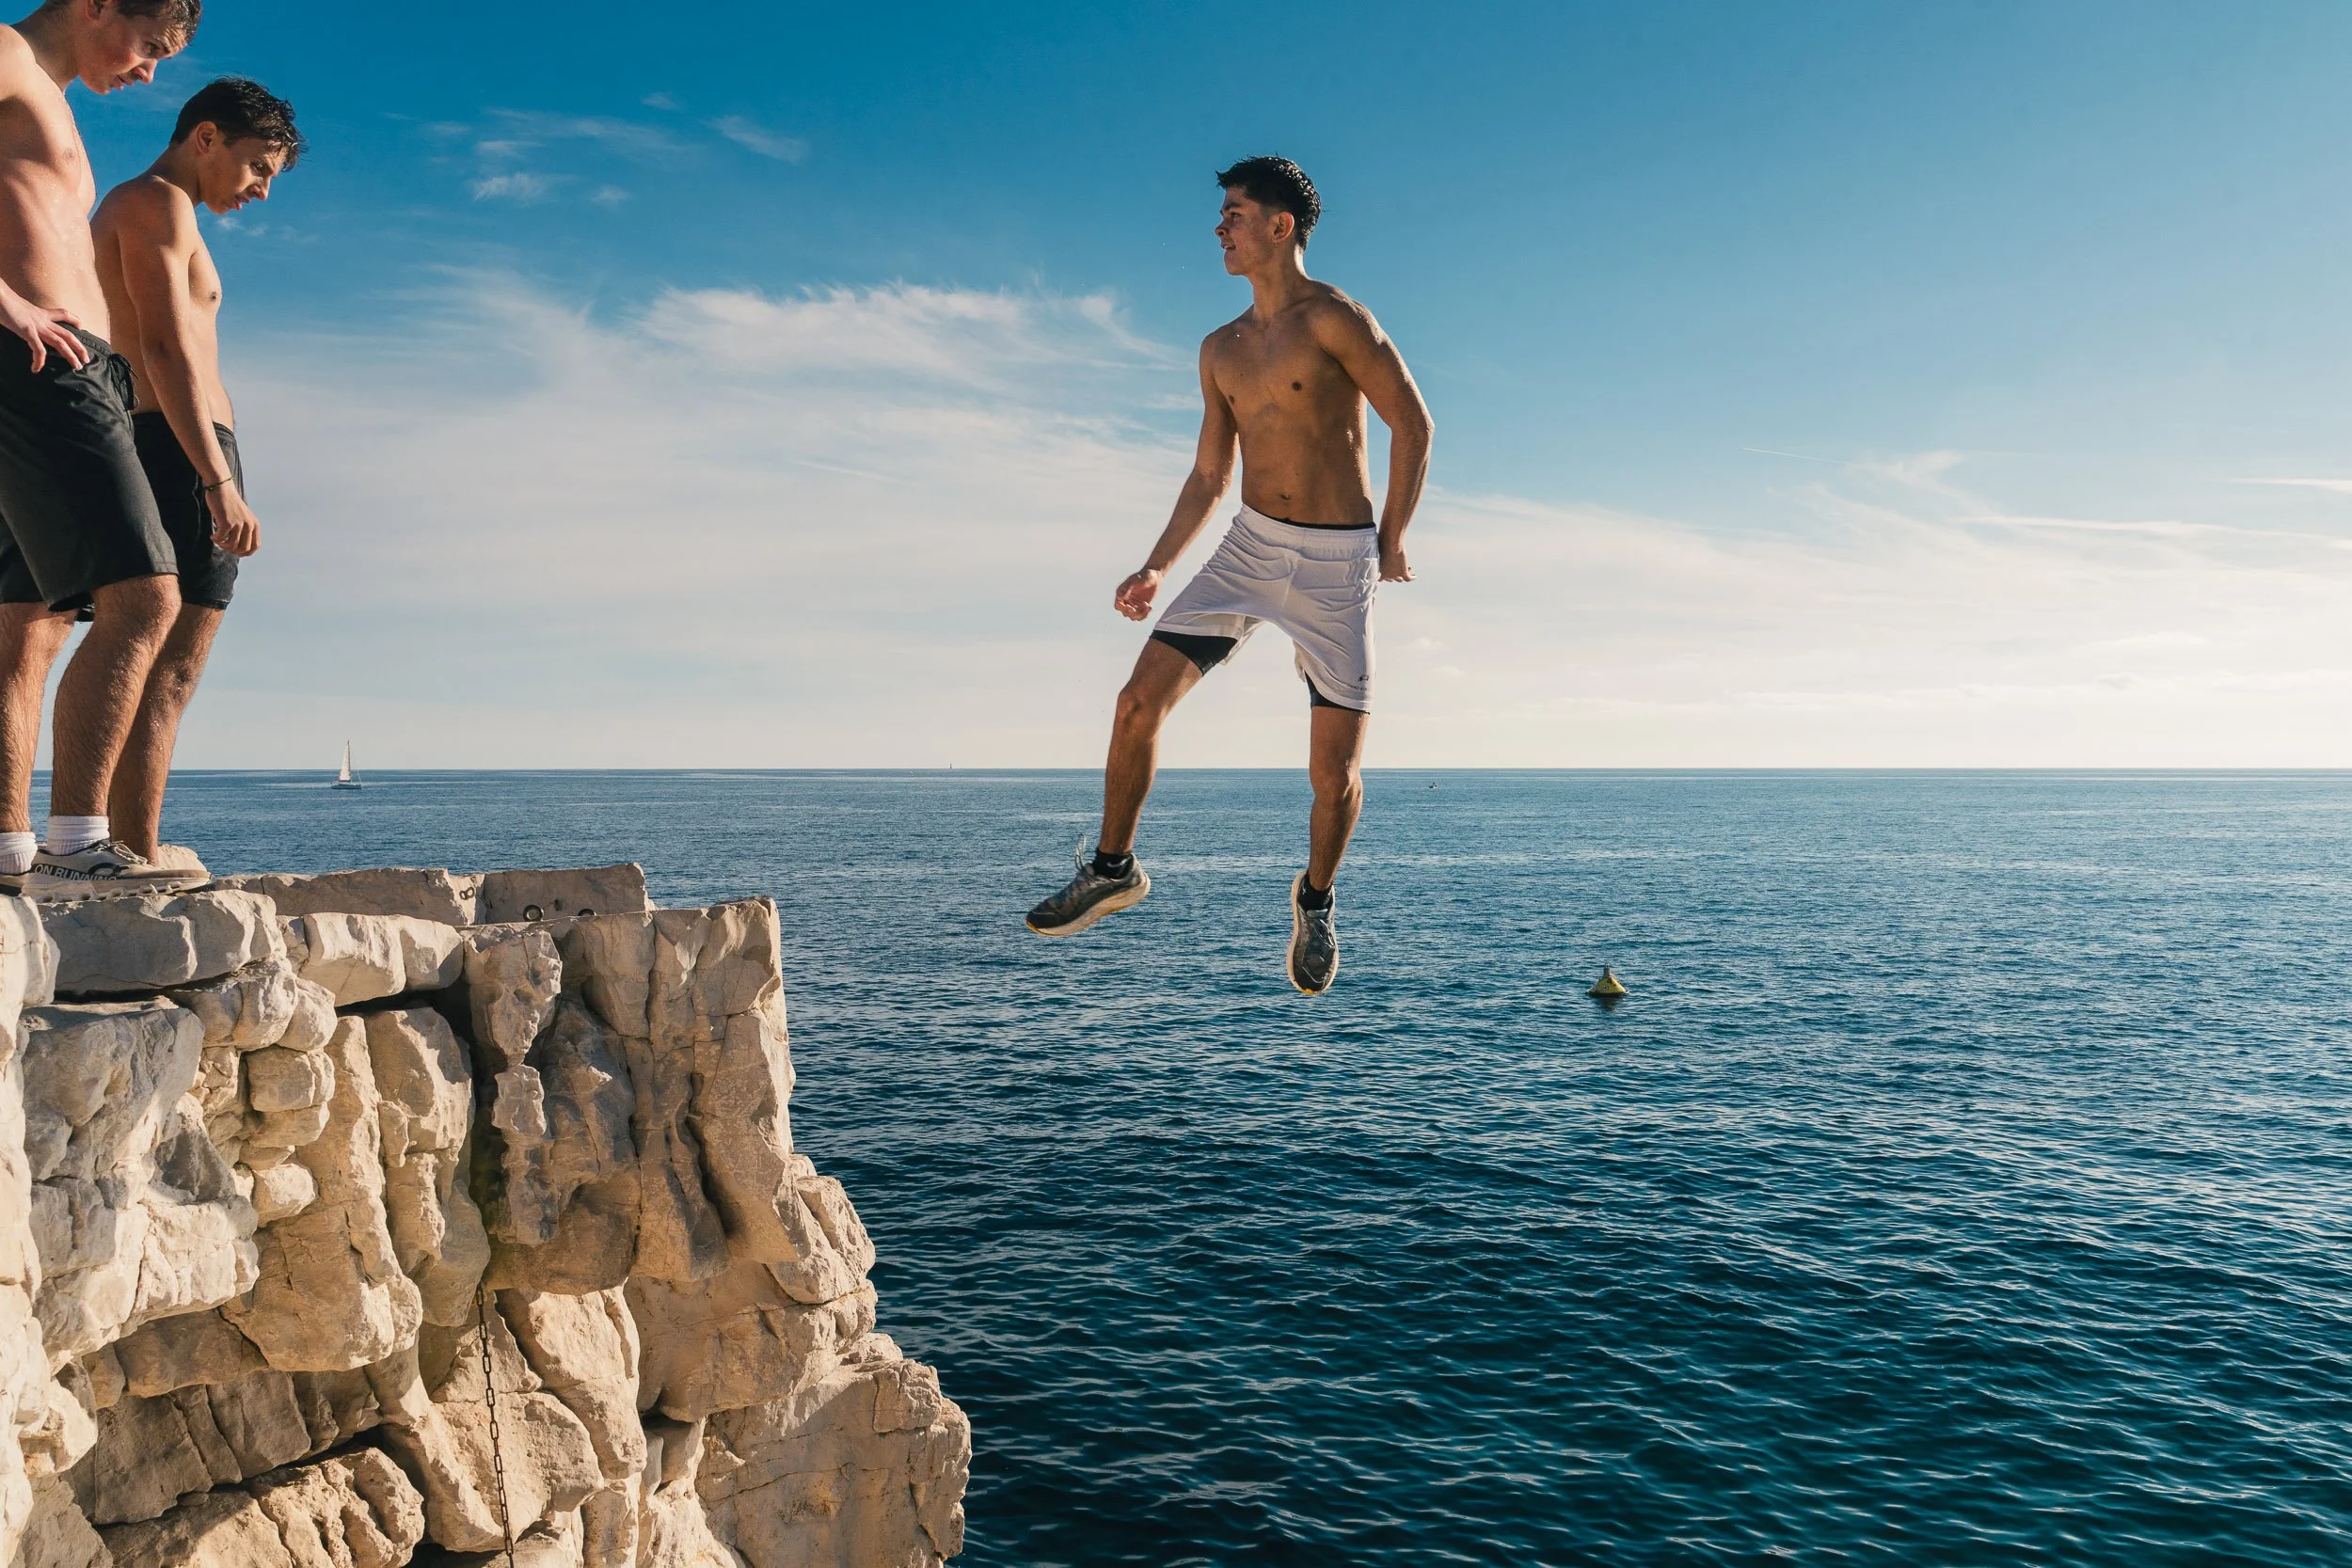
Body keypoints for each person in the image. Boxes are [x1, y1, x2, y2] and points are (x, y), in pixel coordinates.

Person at [1025, 156, 1434, 995]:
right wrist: (1155, 564)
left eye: (1236, 213)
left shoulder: (1336, 320)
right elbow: (1209, 475)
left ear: (1280, 227)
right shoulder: (1220, 349)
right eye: (1222, 214)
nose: (1220, 227)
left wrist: (1392, 538)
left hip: (1335, 566)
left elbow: (1413, 423)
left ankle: (1316, 901)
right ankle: (1113, 867)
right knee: (1137, 701)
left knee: (1334, 775)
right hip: (1248, 548)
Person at [0, 0, 206, 897]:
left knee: (23, 622)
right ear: (94, 5)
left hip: (62, 366)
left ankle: (8, 853)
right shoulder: (5, 53)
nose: (151, 71)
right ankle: (78, 847)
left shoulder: (46, 91)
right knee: (148, 597)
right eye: (150, 45)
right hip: (42, 361)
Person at [93, 76, 298, 864]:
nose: (262, 191)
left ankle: (118, 845)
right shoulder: (156, 204)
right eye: (258, 167)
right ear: (205, 137)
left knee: (156, 660)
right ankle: (128, 854)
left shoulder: (157, 208)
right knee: (168, 665)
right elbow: (163, 347)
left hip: (175, 439)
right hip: (178, 443)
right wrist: (218, 480)